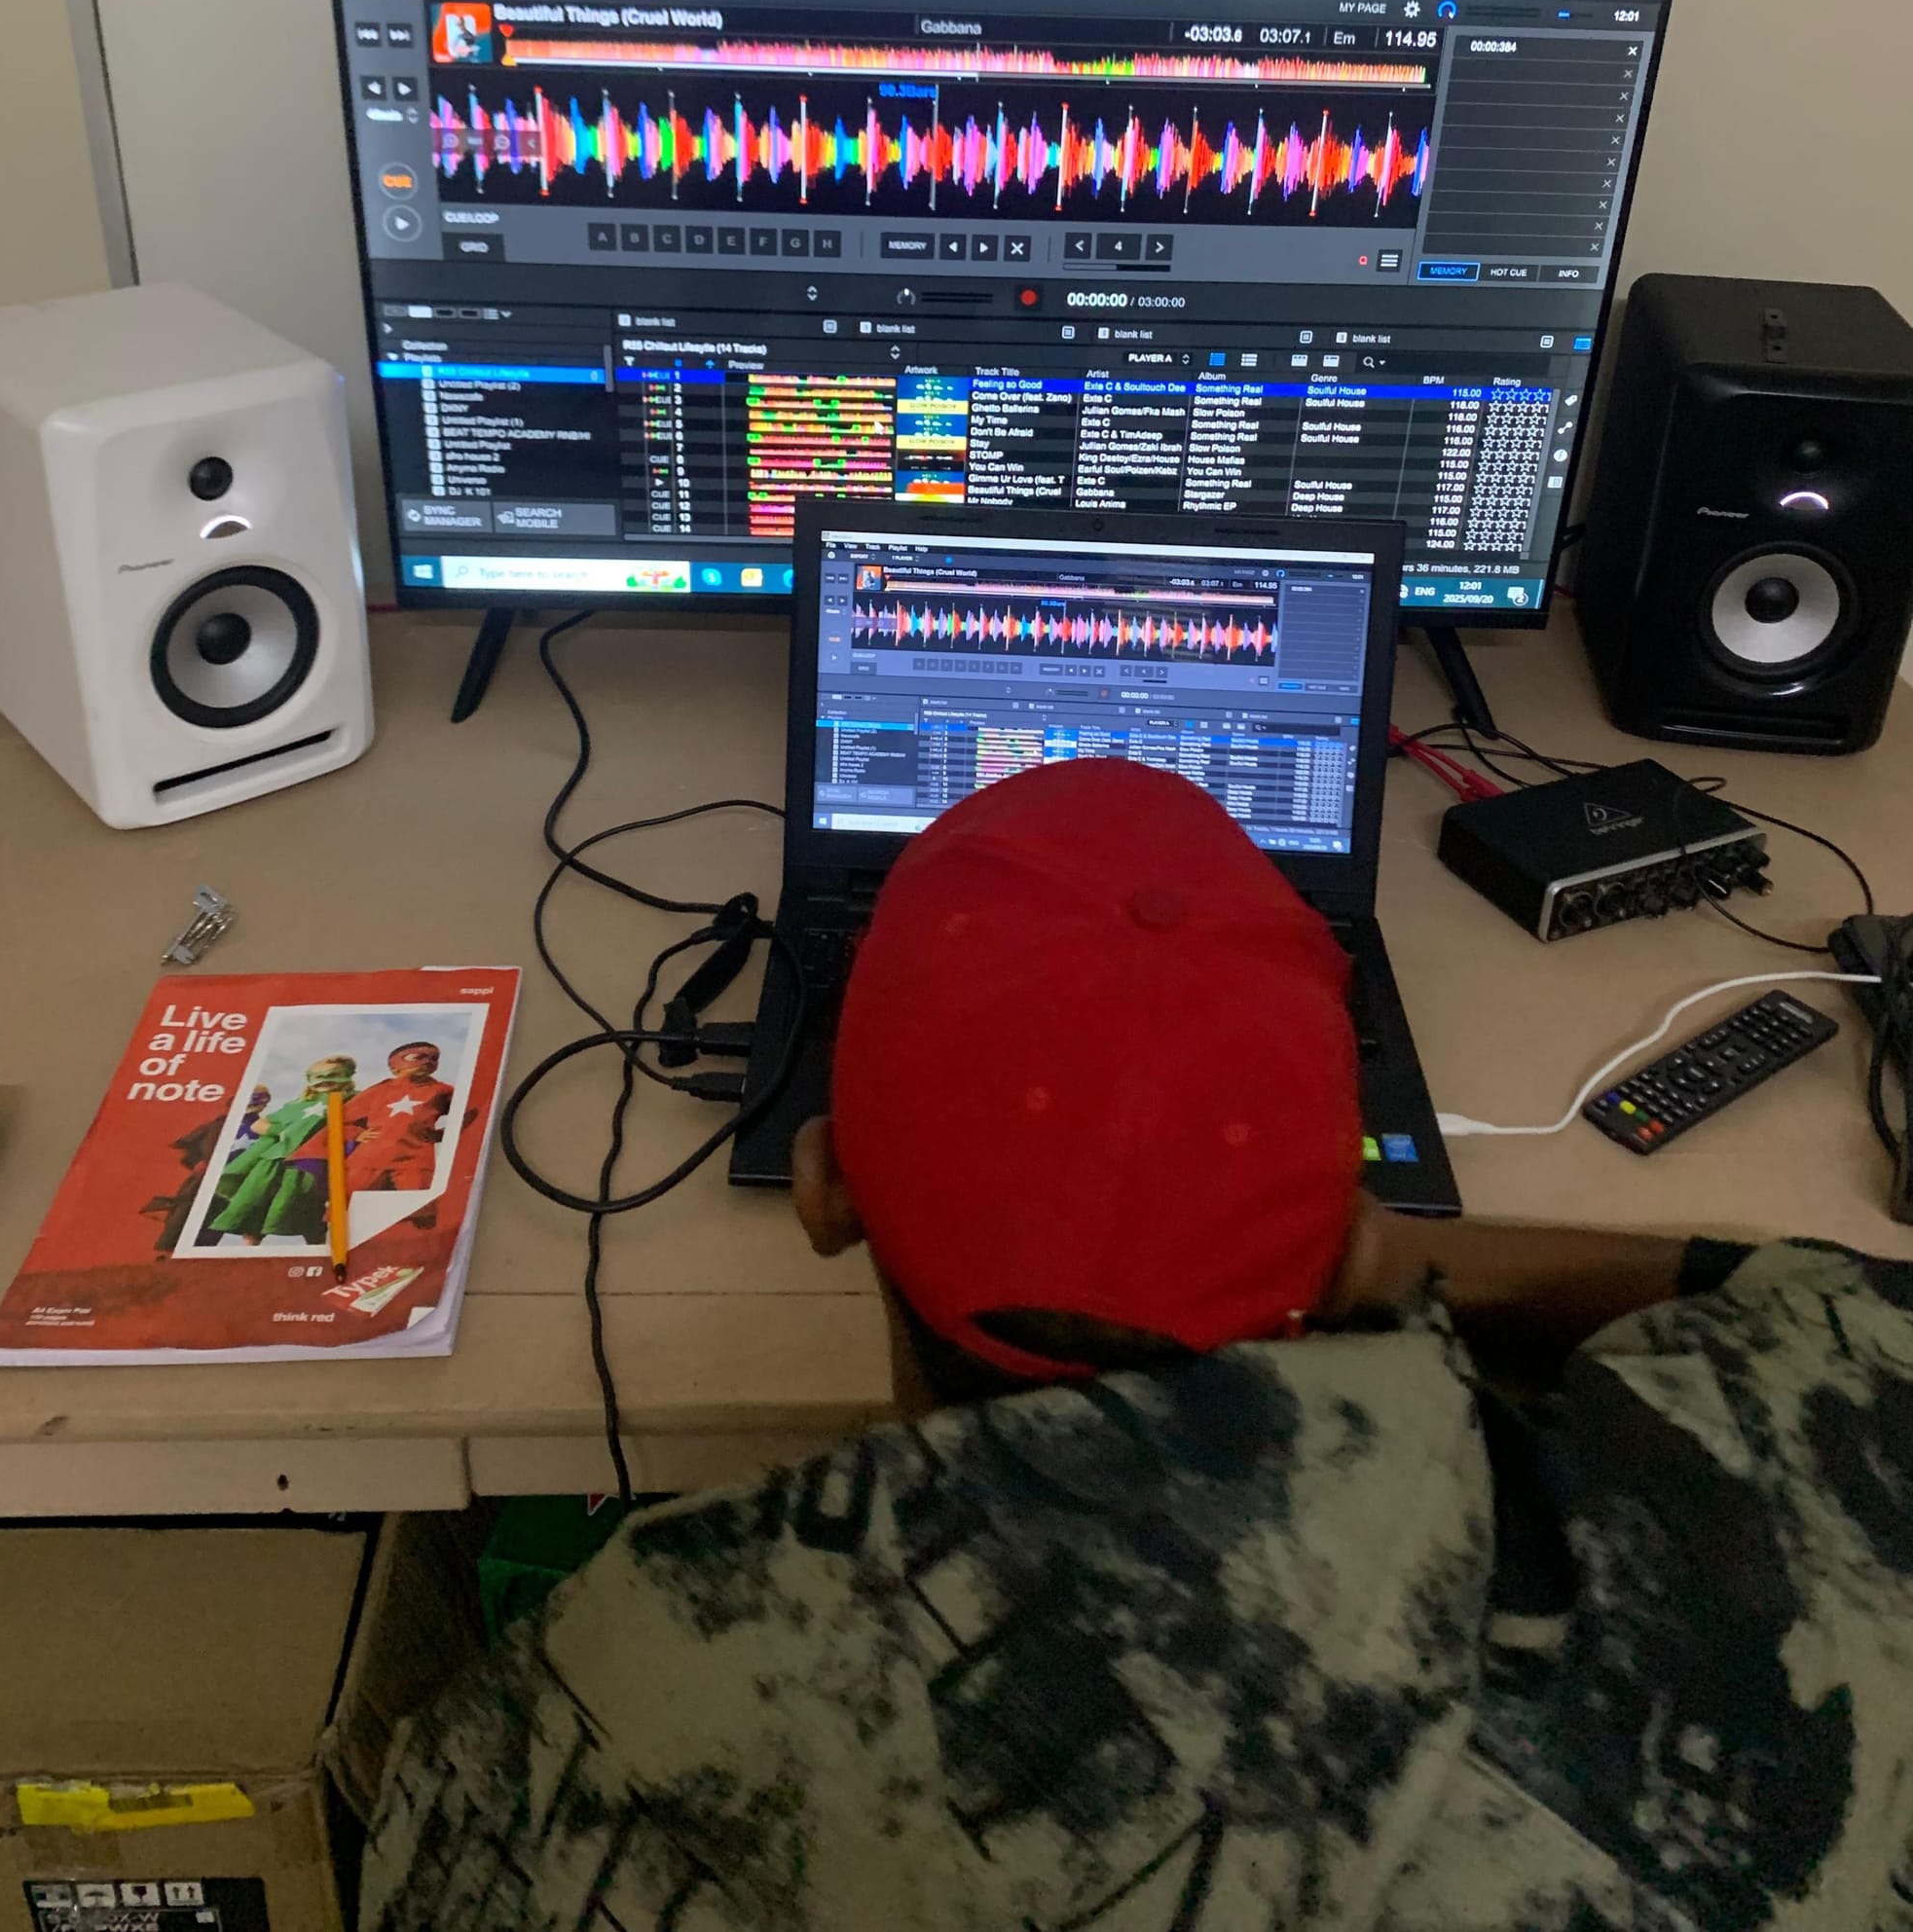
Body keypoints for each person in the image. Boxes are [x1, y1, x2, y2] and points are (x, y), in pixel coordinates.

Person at [361, 760, 1913, 1930]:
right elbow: (1848, 1297)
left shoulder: (599, 1721)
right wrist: (1387, 1253)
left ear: (825, 1191)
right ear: (1354, 1226)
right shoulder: (1790, 1531)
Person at [206, 1055, 357, 1246]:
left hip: (312, 1162)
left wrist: (358, 1135)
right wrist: (284, 1132)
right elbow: (259, 1125)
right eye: (319, 1076)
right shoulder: (297, 1105)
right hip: (275, 1160)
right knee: (256, 1203)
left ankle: (317, 1250)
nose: (325, 1080)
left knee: (309, 1209)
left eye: (332, 1075)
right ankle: (249, 1250)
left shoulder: (356, 1099)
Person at [344, 1040, 453, 1193]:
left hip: (414, 1161)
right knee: (349, 1201)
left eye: (434, 1058)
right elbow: (340, 1119)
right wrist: (356, 1134)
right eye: (417, 1057)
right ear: (395, 1066)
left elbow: (473, 1113)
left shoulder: (441, 1090)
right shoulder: (379, 1090)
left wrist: (443, 1134)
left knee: (417, 1204)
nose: (428, 1061)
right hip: (369, 1159)